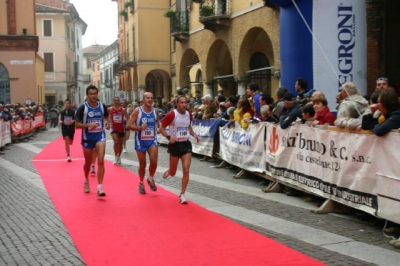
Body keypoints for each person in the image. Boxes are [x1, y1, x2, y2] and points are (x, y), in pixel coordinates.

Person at [159, 95, 200, 204]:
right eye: (181, 102)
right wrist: (168, 137)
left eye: (185, 102)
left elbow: (188, 127)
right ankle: (170, 171)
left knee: (186, 169)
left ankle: (182, 194)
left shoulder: (189, 115)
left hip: (186, 144)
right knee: (173, 172)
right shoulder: (172, 114)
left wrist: (194, 134)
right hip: (175, 145)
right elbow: (161, 128)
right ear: (177, 104)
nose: (184, 105)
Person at [75, 85, 110, 197]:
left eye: (95, 93)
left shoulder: (102, 106)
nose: (93, 96)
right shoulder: (82, 108)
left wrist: (107, 123)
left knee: (100, 161)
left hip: (100, 136)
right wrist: (88, 125)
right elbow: (77, 125)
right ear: (87, 95)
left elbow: (105, 117)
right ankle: (86, 179)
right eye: (91, 94)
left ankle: (100, 187)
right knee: (88, 163)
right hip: (87, 138)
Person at [127, 92, 160, 194]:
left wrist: (159, 128)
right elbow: (128, 125)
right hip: (140, 141)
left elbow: (158, 122)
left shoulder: (155, 111)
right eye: (147, 98)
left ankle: (150, 178)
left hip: (152, 140)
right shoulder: (138, 111)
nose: (150, 100)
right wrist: (139, 128)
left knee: (154, 161)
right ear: (143, 99)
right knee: (142, 163)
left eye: (151, 98)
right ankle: (141, 183)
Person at [108, 97, 128, 164]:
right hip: (113, 128)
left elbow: (128, 118)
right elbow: (106, 117)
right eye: (115, 100)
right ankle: (116, 157)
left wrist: (128, 124)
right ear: (113, 101)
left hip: (121, 128)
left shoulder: (123, 110)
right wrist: (107, 123)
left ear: (119, 101)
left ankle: (119, 156)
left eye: (118, 100)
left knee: (120, 144)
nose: (117, 101)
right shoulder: (110, 109)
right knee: (116, 142)